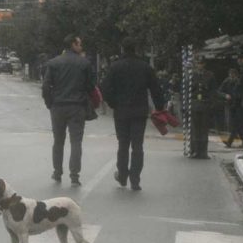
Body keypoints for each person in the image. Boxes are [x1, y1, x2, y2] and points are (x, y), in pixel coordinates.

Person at [102, 37, 165, 191]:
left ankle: (122, 175)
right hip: (139, 112)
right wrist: (160, 107)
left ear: (122, 49)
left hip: (121, 112)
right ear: (135, 49)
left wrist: (113, 103)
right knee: (138, 146)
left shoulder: (115, 67)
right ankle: (135, 179)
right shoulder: (145, 67)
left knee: (123, 144)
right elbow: (156, 89)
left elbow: (105, 88)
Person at [41, 34, 95, 186]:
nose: (81, 46)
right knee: (76, 142)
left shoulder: (53, 63)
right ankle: (74, 176)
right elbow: (91, 86)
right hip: (77, 107)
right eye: (79, 44)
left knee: (58, 141)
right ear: (73, 44)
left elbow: (46, 86)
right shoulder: (84, 63)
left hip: (57, 106)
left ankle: (57, 173)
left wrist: (49, 103)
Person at [188, 57, 220, 159]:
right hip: (194, 104)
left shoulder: (210, 75)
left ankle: (203, 152)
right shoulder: (191, 75)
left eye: (201, 63)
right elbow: (186, 91)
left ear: (204, 64)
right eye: (198, 63)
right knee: (194, 129)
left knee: (204, 129)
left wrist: (213, 104)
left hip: (205, 104)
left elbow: (213, 91)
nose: (199, 65)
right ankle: (194, 150)